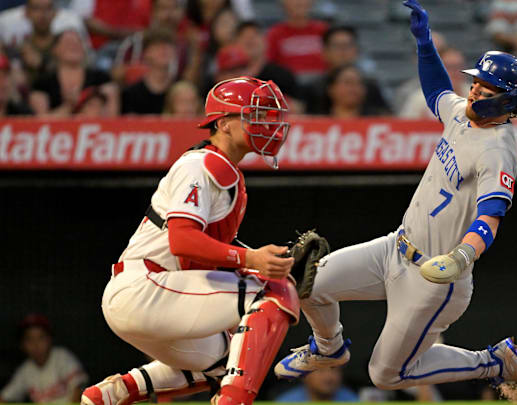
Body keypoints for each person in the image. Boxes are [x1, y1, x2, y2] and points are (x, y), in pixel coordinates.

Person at [274, 0, 517, 392]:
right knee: (307, 281)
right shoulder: (464, 114)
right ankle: (328, 348)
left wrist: (462, 256)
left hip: (434, 278)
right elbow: (437, 89)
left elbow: (491, 216)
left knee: (384, 375)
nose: (474, 93)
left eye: (486, 89)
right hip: (394, 248)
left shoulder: (497, 149)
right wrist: (423, 44)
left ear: (507, 99)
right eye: (475, 83)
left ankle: (492, 363)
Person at [80, 76, 299, 405]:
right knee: (274, 295)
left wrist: (273, 262)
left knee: (232, 357)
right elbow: (183, 241)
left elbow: (205, 256)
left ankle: (115, 392)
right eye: (254, 116)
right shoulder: (199, 165)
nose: (266, 124)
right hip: (145, 287)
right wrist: (254, 263)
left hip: (157, 293)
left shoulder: (226, 171)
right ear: (224, 124)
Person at [302, 26, 390, 115]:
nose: (343, 51)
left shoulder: (371, 86)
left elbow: (386, 116)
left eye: (348, 45)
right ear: (324, 52)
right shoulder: (312, 88)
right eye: (336, 46)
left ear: (357, 51)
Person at [0, 314, 88, 403]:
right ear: (22, 345)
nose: (36, 344)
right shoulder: (25, 370)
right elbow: (4, 397)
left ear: (50, 339)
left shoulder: (62, 357)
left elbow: (79, 388)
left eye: (41, 337)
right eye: (29, 339)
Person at [29, 29, 118, 117]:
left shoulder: (101, 79)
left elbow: (111, 118)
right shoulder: (42, 83)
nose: (74, 46)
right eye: (68, 43)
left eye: (78, 42)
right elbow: (39, 121)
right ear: (55, 49)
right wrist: (69, 106)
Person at [399, 47, 470, 119]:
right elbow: (405, 126)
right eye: (449, 67)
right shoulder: (421, 100)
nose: (456, 72)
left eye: (459, 67)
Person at [266, 0, 328, 80]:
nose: (299, 2)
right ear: (283, 4)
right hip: (288, 85)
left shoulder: (324, 30)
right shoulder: (274, 34)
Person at [121, 28, 177, 115]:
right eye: (157, 45)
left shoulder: (182, 90)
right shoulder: (131, 94)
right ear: (146, 53)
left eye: (168, 45)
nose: (164, 49)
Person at [275, 368, 358, 402]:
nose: (328, 377)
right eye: (320, 370)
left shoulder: (352, 400)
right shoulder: (287, 402)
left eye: (334, 369)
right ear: (304, 375)